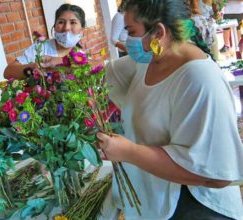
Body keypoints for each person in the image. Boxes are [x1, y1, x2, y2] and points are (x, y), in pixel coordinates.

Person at [98, 0, 243, 219]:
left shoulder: (200, 79)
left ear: (158, 31)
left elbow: (216, 176)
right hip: (155, 199)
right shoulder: (150, 61)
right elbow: (97, 77)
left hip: (195, 206)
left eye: (131, 31)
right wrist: (57, 68)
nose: (127, 41)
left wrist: (128, 152)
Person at [4, 3, 85, 79]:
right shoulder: (40, 48)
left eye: (73, 22)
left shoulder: (82, 57)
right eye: (61, 22)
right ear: (54, 27)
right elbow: (8, 72)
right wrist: (32, 68)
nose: (66, 27)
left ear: (82, 30)